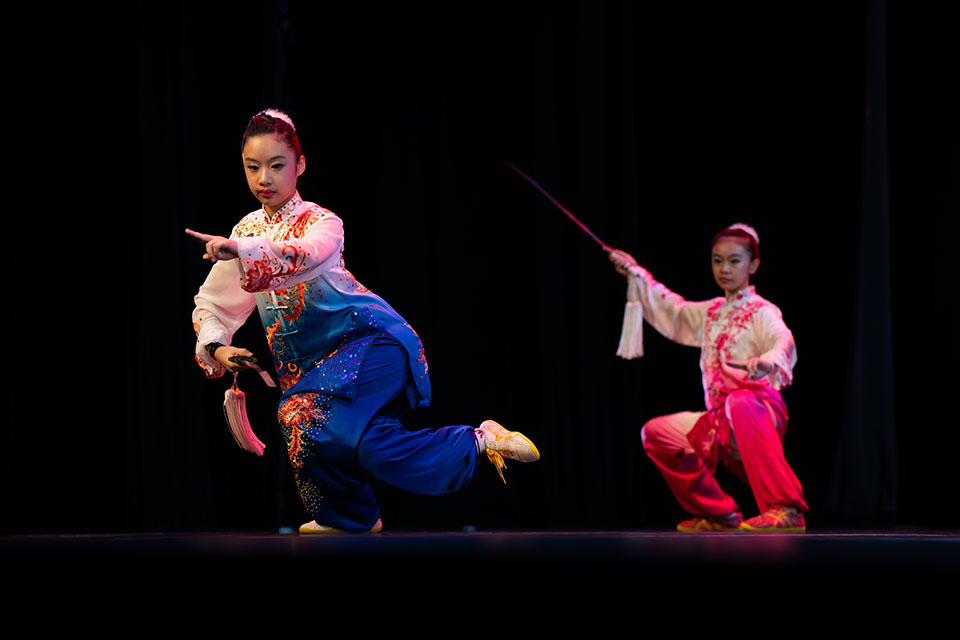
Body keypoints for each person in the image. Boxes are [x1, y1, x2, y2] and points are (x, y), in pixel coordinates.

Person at [187, 108, 539, 534]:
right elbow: (212, 305)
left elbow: (307, 257)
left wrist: (241, 252)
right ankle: (471, 445)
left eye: (277, 166)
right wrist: (218, 347)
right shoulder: (241, 235)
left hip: (374, 344)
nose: (265, 178)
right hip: (319, 372)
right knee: (367, 447)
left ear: (300, 166)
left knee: (298, 413)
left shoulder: (321, 223)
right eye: (253, 167)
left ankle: (349, 511)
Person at [608, 223, 808, 533]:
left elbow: (784, 339)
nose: (724, 269)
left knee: (740, 401)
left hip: (757, 414)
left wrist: (767, 363)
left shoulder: (762, 311)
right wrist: (636, 273)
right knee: (656, 433)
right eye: (717, 260)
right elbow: (673, 311)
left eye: (734, 261)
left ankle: (786, 509)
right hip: (720, 421)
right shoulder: (712, 312)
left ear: (753, 265)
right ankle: (720, 514)